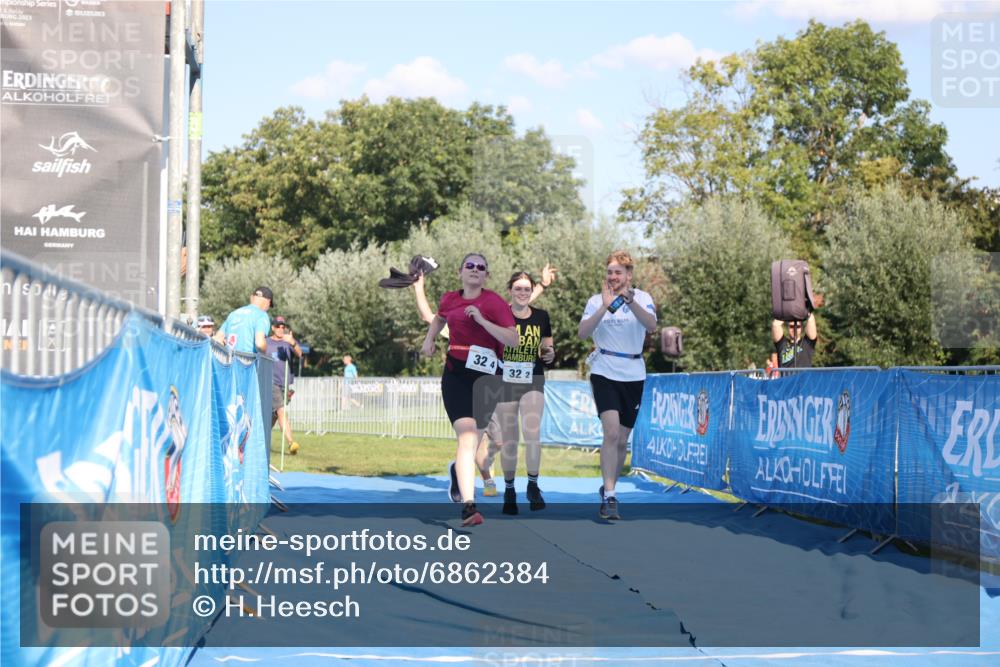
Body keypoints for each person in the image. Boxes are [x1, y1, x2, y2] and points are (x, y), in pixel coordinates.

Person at [413, 262, 557, 495]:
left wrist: (541, 285)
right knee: (473, 437)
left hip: (498, 381)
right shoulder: (458, 322)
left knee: (497, 440)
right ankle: (476, 479)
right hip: (472, 383)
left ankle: (471, 471)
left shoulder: (495, 318)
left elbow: (520, 302)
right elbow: (430, 317)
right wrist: (419, 288)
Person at [421, 253, 518, 526]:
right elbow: (439, 319)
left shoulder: (494, 302)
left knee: (476, 442)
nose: (475, 270)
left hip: (487, 378)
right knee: (466, 439)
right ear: (460, 271)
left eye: (481, 267)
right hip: (456, 374)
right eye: (470, 266)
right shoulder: (449, 299)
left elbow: (513, 339)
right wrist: (429, 340)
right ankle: (468, 506)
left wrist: (483, 321)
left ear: (486, 276)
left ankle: (460, 474)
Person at [578, 250, 657, 520]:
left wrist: (630, 301)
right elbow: (582, 333)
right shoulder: (594, 301)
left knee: (622, 439)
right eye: (610, 272)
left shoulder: (643, 298)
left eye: (618, 272)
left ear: (628, 275)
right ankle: (610, 497)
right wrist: (604, 305)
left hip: (633, 372)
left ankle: (608, 484)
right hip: (604, 370)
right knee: (611, 433)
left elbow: (651, 325)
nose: (613, 276)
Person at [491, 271, 555, 515]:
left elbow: (548, 347)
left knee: (532, 433)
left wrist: (550, 354)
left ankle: (533, 485)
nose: (522, 292)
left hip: (533, 378)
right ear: (510, 290)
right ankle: (509, 490)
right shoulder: (500, 315)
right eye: (518, 288)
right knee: (509, 439)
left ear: (531, 291)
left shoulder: (541, 316)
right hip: (505, 380)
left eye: (526, 289)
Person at [267, 316, 302, 454]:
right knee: (281, 411)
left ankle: (259, 437)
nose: (281, 329)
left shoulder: (288, 342)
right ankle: (291, 443)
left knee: (275, 415)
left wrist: (293, 343)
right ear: (273, 328)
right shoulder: (266, 342)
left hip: (285, 383)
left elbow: (300, 354)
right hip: (271, 382)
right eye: (278, 326)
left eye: (283, 327)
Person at [216, 286, 272, 354]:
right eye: (269, 305)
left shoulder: (233, 314)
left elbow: (217, 339)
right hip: (248, 361)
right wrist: (265, 354)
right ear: (268, 302)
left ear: (252, 297)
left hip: (229, 360)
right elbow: (259, 344)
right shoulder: (262, 315)